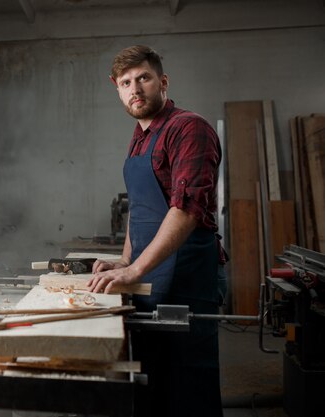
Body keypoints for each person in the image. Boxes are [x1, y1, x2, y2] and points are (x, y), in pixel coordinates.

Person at [87, 45, 224, 417]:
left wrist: (133, 271)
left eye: (144, 78)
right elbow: (140, 208)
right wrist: (126, 259)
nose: (136, 88)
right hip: (149, 279)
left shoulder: (188, 128)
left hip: (186, 281)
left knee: (187, 389)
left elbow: (185, 211)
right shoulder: (139, 136)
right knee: (150, 383)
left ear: (162, 82)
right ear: (117, 88)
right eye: (127, 82)